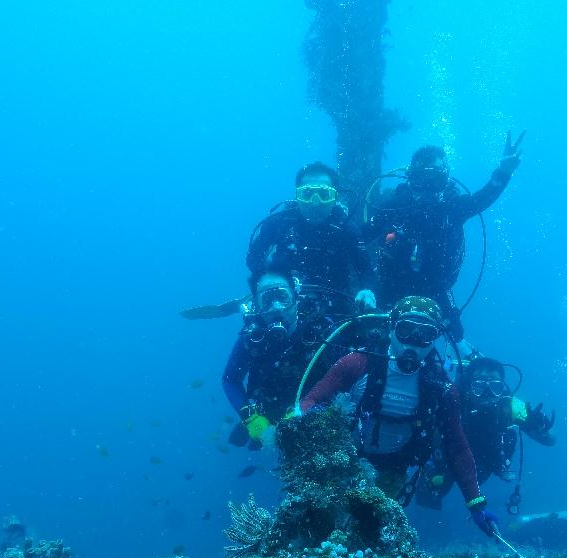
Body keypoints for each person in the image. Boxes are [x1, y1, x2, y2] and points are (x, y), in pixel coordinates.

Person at [298, 296, 497, 536]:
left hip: (392, 472)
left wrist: (476, 503)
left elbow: (457, 446)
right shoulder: (356, 364)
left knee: (366, 534)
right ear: (391, 329)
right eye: (405, 330)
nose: (414, 342)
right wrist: (315, 418)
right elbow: (308, 402)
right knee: (320, 528)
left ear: (434, 339)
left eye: (425, 334)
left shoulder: (443, 389)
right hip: (342, 464)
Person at [365, 132, 525, 340]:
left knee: (455, 333)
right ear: (411, 178)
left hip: (436, 286)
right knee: (369, 325)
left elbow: (483, 198)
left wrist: (503, 173)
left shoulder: (453, 208)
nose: (429, 188)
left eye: (436, 181)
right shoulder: (395, 207)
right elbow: (359, 236)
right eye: (422, 180)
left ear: (445, 180)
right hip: (392, 282)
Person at [418, 351, 556, 509]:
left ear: (502, 388)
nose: (487, 393)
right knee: (427, 498)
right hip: (445, 464)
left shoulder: (511, 406)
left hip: (483, 468)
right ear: (469, 386)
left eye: (495, 387)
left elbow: (551, 440)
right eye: (479, 386)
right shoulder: (453, 399)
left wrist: (540, 426)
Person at [247, 161, 376, 316]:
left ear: (334, 198)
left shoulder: (346, 229)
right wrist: (265, 284)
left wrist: (368, 292)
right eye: (307, 194)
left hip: (335, 304)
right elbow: (253, 258)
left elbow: (366, 271)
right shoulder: (278, 223)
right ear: (297, 196)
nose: (315, 203)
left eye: (323, 195)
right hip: (281, 304)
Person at [222, 272, 330, 449]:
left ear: (296, 297)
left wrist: (310, 409)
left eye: (282, 297)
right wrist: (249, 416)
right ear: (257, 305)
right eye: (267, 300)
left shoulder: (320, 329)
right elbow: (230, 379)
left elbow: (344, 378)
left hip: (317, 412)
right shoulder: (251, 339)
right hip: (268, 413)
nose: (276, 307)